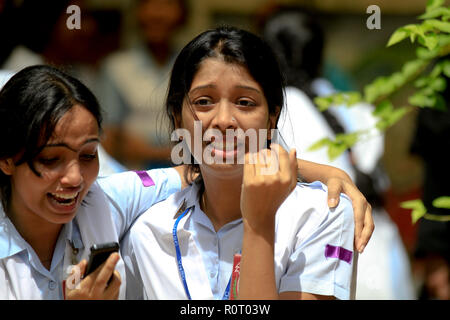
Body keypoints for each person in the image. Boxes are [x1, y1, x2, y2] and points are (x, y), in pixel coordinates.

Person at [0, 64, 373, 299]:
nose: (74, 178)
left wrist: (327, 173)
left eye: (88, 155)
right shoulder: (138, 224)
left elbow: (202, 169)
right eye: (50, 160)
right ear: (5, 158)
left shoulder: (105, 198)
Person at [123, 26, 358, 300]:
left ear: (272, 118)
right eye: (204, 101)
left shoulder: (322, 216)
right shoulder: (149, 231)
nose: (223, 120)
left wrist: (258, 226)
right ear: (178, 118)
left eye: (245, 102)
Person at [262, 8, 415, 299]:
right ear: (320, 54)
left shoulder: (278, 111)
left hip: (320, 265)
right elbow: (380, 185)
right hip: (380, 254)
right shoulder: (356, 107)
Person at [97, 0, 188, 169]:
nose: (157, 14)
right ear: (137, 12)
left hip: (185, 179)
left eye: (167, 4)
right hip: (132, 178)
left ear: (182, 13)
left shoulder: (192, 65)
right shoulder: (116, 68)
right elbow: (107, 138)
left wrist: (149, 151)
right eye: (148, 3)